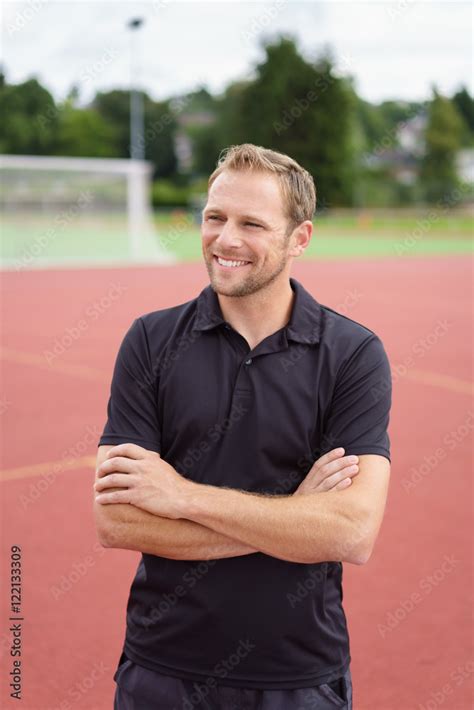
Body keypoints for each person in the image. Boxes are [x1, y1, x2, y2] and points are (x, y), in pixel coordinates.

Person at [93, 143, 392, 710]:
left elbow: (350, 533)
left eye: (252, 223)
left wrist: (179, 496)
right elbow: (117, 519)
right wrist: (294, 523)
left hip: (298, 678)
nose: (225, 239)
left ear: (299, 239)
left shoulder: (353, 353)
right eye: (215, 217)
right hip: (161, 670)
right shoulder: (150, 341)